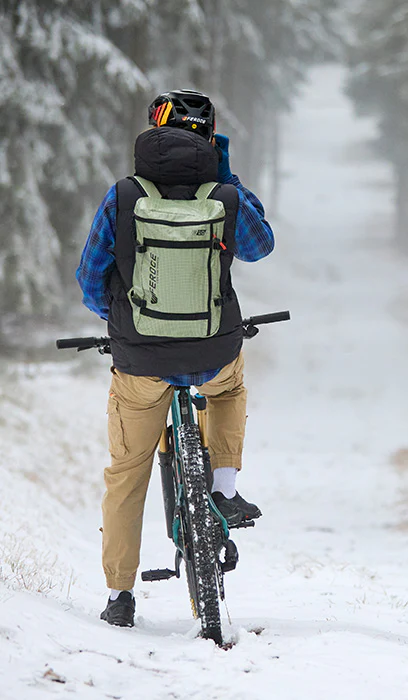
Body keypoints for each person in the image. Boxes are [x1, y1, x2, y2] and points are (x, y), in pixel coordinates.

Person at [76, 89, 274, 628]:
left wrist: (123, 322)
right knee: (229, 389)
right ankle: (224, 490)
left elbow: (90, 279)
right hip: (213, 350)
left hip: (138, 361)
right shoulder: (223, 195)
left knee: (127, 473)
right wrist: (229, 180)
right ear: (211, 139)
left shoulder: (123, 195)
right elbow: (260, 246)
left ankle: (120, 595)